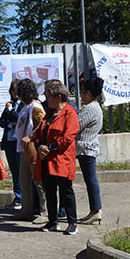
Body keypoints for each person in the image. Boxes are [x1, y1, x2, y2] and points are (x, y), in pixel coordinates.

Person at [33, 82, 80, 235]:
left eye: (48, 96)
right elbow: (39, 133)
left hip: (61, 159)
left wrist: (50, 148)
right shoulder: (49, 113)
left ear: (58, 97)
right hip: (46, 159)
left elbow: (69, 136)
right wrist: (39, 145)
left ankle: (72, 222)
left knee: (66, 191)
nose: (46, 99)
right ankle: (53, 221)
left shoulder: (70, 113)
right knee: (50, 191)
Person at [14, 80, 46, 221]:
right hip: (24, 149)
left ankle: (44, 213)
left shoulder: (36, 107)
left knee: (39, 182)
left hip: (33, 150)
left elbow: (43, 124)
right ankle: (26, 210)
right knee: (24, 182)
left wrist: (30, 136)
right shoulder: (26, 107)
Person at [76, 77, 105, 225]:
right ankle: (94, 210)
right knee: (90, 180)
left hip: (86, 148)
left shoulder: (90, 108)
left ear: (88, 93)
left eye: (82, 92)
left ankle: (96, 210)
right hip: (87, 148)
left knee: (91, 180)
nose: (80, 95)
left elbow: (75, 125)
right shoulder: (95, 107)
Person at [0, 79, 22, 212]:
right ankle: (17, 197)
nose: (14, 93)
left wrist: (11, 111)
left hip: (19, 141)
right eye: (12, 90)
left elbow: (20, 119)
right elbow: (1, 121)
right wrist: (10, 123)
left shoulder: (24, 104)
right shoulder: (9, 104)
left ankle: (22, 198)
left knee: (21, 170)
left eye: (16, 90)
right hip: (9, 141)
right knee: (14, 170)